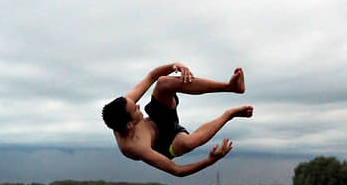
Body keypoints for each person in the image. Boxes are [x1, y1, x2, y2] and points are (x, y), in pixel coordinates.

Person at [102, 62, 253, 177]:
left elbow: (151, 77)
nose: (138, 106)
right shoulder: (136, 147)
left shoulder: (123, 106)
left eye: (135, 104)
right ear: (129, 125)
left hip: (158, 117)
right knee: (187, 142)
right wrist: (210, 161)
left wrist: (175, 65)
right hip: (165, 143)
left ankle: (230, 87)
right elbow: (177, 171)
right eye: (135, 109)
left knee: (163, 82)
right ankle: (229, 114)